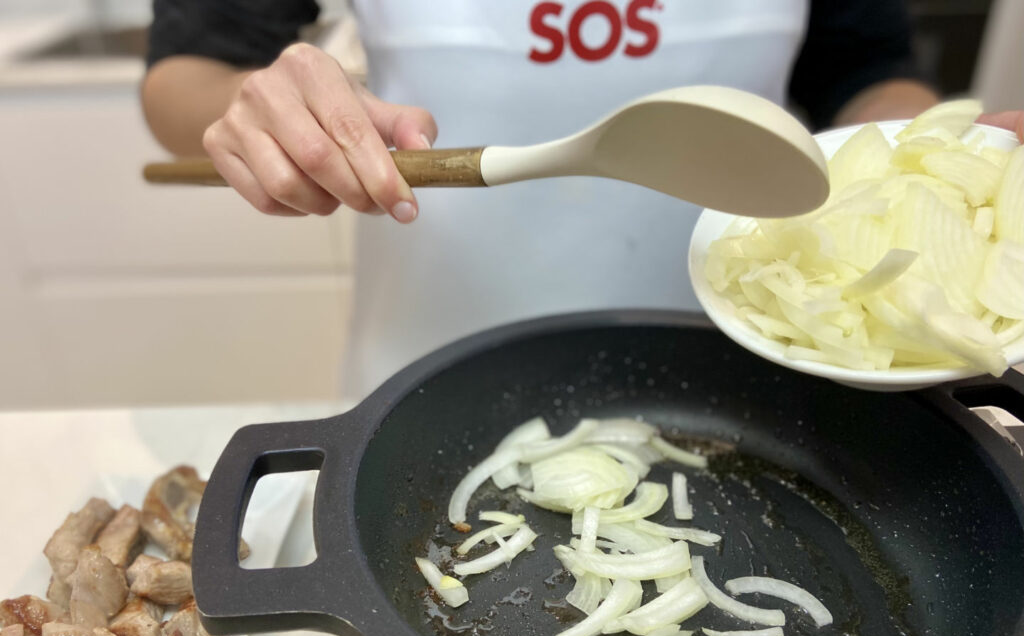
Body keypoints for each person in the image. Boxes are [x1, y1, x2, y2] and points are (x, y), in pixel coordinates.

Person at [141, 1, 1017, 399]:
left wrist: (941, 172)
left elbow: (867, 78)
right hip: (427, 372)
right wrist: (258, 109)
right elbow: (184, 73)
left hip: (746, 375)